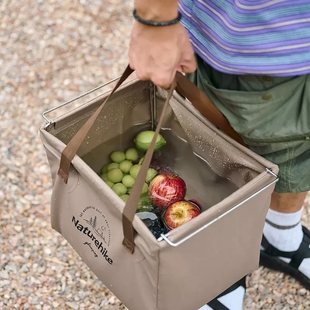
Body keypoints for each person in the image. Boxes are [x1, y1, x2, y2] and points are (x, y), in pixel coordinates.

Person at [128, 0, 310, 309]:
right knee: (223, 157)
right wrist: (155, 20)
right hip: (249, 47)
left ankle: (280, 234)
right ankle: (218, 272)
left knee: (300, 152)